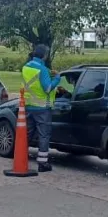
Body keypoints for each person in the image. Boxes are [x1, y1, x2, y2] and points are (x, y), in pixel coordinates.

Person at [22, 44, 62, 172]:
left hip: (28, 105)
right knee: (44, 135)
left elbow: (34, 84)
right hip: (41, 107)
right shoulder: (43, 70)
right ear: (45, 55)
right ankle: (43, 163)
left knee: (27, 134)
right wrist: (57, 78)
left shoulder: (25, 67)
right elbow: (47, 88)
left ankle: (21, 158)